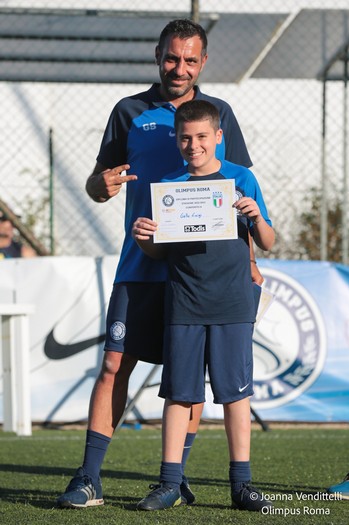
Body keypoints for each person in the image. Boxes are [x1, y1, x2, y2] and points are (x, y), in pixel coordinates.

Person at [56, 18, 263, 509]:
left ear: (203, 62)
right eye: (172, 57)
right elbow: (97, 181)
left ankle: (175, 478)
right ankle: (88, 477)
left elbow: (235, 190)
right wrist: (98, 187)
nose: (180, 67)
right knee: (113, 363)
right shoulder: (129, 112)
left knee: (184, 377)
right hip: (140, 264)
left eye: (190, 59)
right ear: (157, 55)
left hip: (197, 273)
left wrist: (250, 260)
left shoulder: (219, 114)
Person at [133, 99, 275, 512]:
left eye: (200, 137)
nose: (192, 145)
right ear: (177, 140)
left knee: (235, 395)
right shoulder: (168, 184)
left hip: (232, 302)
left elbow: (267, 241)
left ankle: (242, 486)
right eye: (184, 138)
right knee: (179, 394)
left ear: (218, 137)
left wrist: (256, 217)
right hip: (184, 304)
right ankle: (169, 482)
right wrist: (145, 237)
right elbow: (159, 253)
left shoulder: (240, 178)